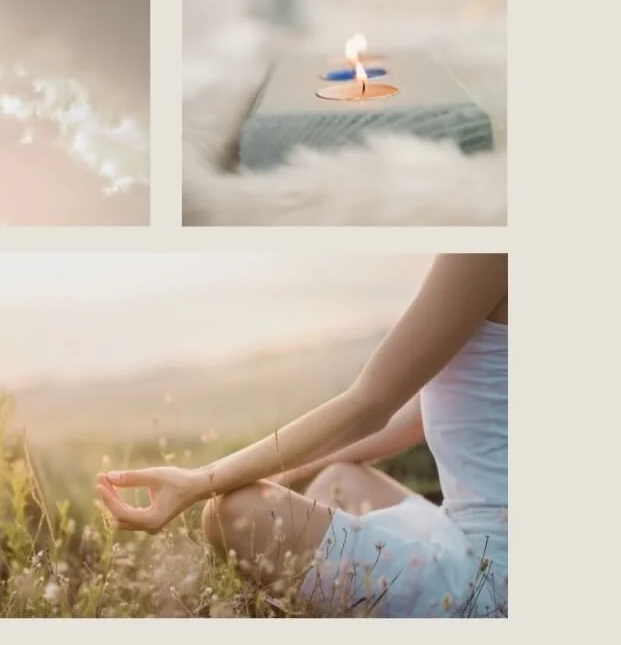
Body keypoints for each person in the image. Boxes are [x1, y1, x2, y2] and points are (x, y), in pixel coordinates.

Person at [95, 254, 508, 617]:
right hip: (464, 533)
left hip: (491, 580)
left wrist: (198, 483)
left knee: (234, 513)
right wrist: (273, 474)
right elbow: (415, 418)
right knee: (340, 479)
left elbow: (368, 405)